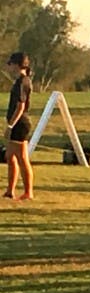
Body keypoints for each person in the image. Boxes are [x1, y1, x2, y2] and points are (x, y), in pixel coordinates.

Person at [4, 52, 34, 200]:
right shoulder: (19, 81)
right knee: (10, 156)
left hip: (20, 124)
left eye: (10, 64)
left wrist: (10, 126)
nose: (8, 67)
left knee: (22, 158)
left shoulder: (22, 82)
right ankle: (10, 190)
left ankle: (28, 192)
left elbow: (20, 107)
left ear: (17, 65)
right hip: (17, 123)